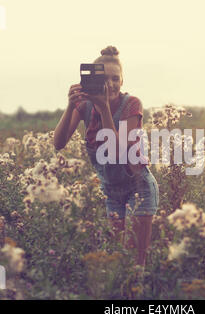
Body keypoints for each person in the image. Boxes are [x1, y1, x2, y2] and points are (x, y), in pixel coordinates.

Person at [53, 45, 159, 268]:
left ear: (122, 81)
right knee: (117, 258)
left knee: (134, 264)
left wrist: (105, 111)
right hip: (111, 192)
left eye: (115, 78)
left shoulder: (132, 104)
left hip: (139, 187)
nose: (110, 84)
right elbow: (59, 143)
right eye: (104, 78)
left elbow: (118, 152)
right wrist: (70, 104)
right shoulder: (85, 106)